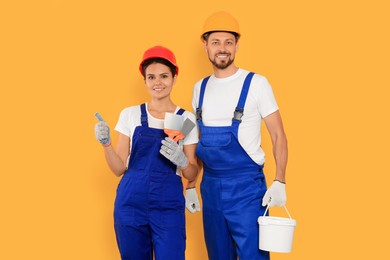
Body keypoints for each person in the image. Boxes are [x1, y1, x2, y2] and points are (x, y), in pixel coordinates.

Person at [192, 11, 288, 260]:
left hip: (247, 190)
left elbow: (278, 134)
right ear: (205, 46)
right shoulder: (199, 89)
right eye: (215, 42)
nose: (222, 49)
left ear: (236, 45)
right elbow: (200, 142)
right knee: (217, 256)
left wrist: (280, 180)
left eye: (228, 42)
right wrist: (190, 184)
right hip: (211, 187)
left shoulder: (257, 83)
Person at [94, 45, 201, 260]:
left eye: (164, 76)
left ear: (174, 77)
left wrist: (181, 161)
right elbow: (118, 169)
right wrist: (106, 145)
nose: (157, 82)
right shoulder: (131, 114)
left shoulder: (186, 119)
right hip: (131, 204)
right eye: (151, 77)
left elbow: (192, 173)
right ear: (144, 80)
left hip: (168, 206)